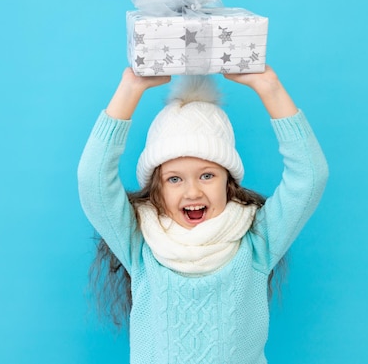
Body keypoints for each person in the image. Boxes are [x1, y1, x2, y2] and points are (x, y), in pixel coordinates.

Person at [77, 66, 329, 363]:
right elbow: (93, 181)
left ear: (228, 182)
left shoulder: (257, 242)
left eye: (207, 175)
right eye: (174, 179)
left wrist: (268, 86)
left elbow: (310, 177)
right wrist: (130, 89)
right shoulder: (140, 244)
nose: (193, 192)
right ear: (156, 188)